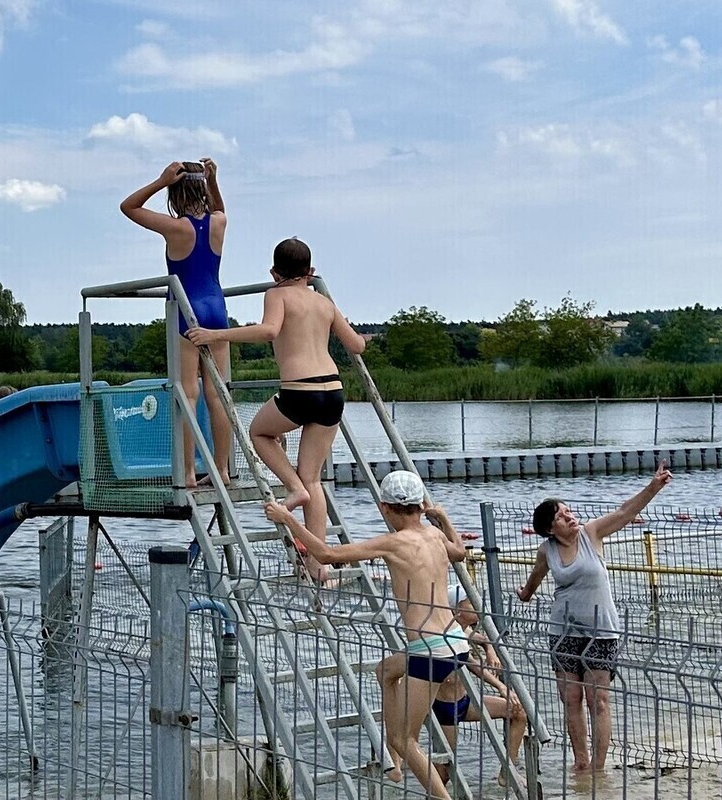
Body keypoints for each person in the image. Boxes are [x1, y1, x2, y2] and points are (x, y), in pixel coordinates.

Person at [264, 470, 466, 800]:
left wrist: (288, 518)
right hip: (455, 640)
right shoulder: (433, 535)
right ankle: (395, 765)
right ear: (421, 506)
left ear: (383, 508)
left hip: (431, 651)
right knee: (385, 671)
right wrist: (443, 518)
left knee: (405, 739)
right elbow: (460, 552)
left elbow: (328, 555)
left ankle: (435, 791)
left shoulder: (393, 542)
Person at [188, 238, 365, 580]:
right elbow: (355, 344)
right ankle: (318, 564)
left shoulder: (276, 293)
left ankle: (292, 487)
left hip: (300, 391)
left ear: (274, 273)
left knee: (259, 432)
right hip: (333, 392)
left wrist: (215, 334)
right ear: (311, 273)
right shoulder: (324, 301)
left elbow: (269, 330)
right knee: (313, 478)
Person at [517, 461, 673, 775]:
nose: (569, 515)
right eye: (561, 515)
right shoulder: (546, 550)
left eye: (568, 510)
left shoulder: (591, 533)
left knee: (598, 700)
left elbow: (625, 513)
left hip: (601, 631)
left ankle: (599, 770)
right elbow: (535, 578)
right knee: (571, 698)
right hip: (563, 631)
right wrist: (526, 594)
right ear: (550, 528)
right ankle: (581, 762)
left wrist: (653, 486)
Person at [120, 158, 232, 488]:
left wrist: (159, 180)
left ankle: (187, 472)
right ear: (204, 191)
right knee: (218, 394)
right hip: (217, 309)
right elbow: (217, 208)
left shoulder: (175, 228)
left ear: (176, 193)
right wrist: (214, 180)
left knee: (188, 394)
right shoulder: (220, 222)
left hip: (187, 310)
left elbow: (128, 207)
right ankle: (222, 470)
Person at [380, 584, 527, 789]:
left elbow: (483, 639)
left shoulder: (463, 631)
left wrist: (491, 650)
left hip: (465, 703)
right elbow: (472, 664)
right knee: (444, 772)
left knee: (518, 713)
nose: (477, 608)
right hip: (444, 709)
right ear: (456, 609)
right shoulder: (442, 634)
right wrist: (499, 686)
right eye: (470, 604)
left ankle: (507, 771)